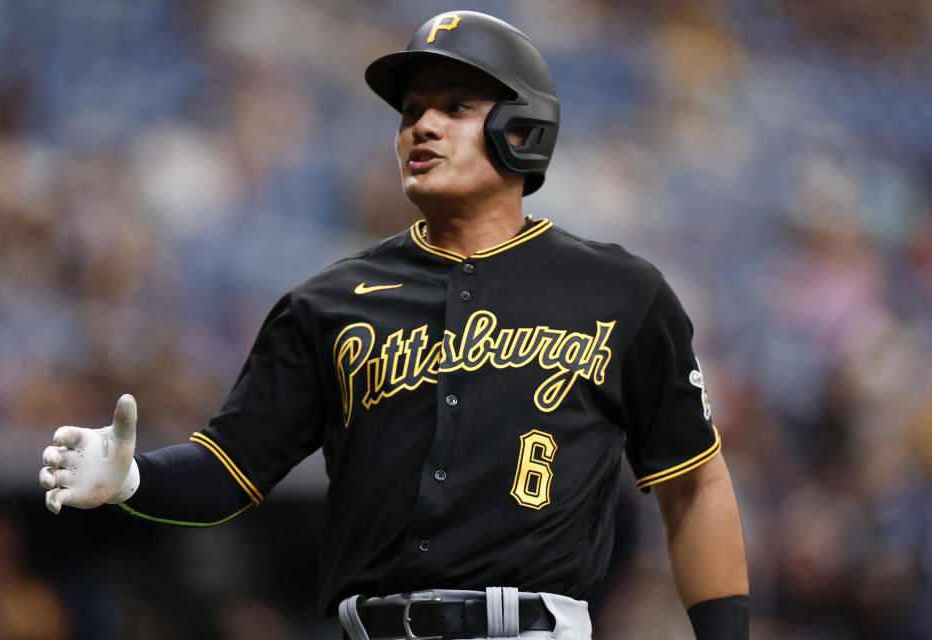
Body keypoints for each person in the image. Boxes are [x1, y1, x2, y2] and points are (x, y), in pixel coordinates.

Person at [39, 11, 749, 640]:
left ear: (523, 128)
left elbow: (695, 485)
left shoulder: (619, 292)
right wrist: (134, 477)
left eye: (456, 106)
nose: (422, 126)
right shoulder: (328, 302)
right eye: (411, 111)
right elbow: (229, 470)